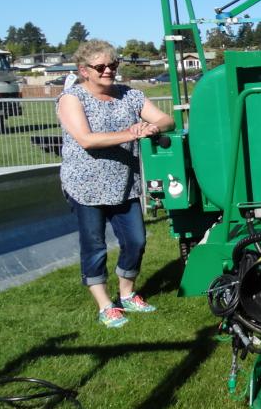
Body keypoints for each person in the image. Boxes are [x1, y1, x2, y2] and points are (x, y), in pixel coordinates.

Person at [57, 40, 174, 328]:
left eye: (113, 64)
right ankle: (105, 305)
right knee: (95, 245)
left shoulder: (130, 95)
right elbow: (86, 139)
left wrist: (153, 126)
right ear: (84, 70)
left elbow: (166, 118)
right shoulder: (72, 99)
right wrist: (131, 133)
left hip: (124, 184)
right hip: (86, 186)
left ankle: (127, 294)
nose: (108, 70)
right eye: (101, 67)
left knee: (136, 241)